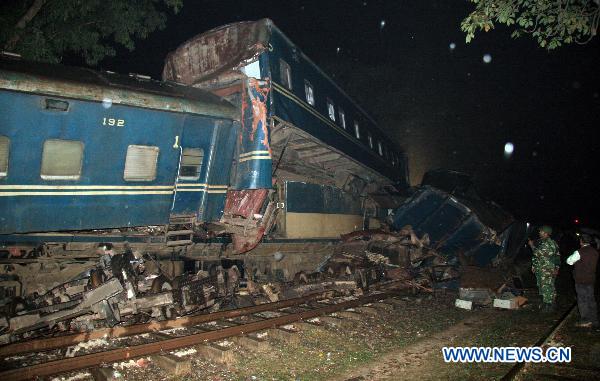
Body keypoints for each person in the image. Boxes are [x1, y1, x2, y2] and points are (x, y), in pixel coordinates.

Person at [566, 234, 599, 328]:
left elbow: (569, 261)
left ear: (581, 241)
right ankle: (594, 319)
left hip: (581, 280)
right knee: (591, 299)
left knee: (582, 300)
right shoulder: (595, 251)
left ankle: (585, 320)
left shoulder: (579, 252)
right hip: (591, 279)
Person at [528, 225, 560, 312]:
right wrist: (534, 265)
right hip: (542, 268)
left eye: (541, 231)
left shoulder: (549, 243)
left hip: (547, 269)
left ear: (546, 233)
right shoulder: (542, 242)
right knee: (545, 286)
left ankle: (548, 306)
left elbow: (539, 254)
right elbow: (537, 258)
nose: (539, 232)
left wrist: (531, 246)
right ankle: (550, 304)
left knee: (546, 287)